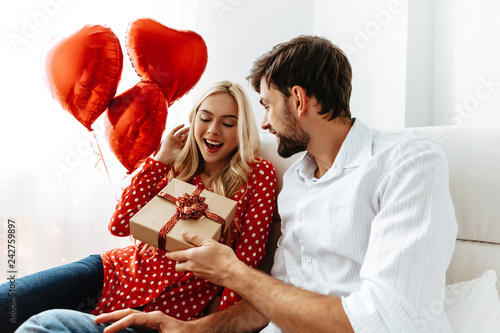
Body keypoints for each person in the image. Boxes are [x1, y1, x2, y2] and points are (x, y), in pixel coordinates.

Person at [17, 35, 458, 333]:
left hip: (171, 295)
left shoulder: (406, 160)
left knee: (44, 325)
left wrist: (227, 275)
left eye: (265, 106)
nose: (265, 122)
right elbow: (265, 299)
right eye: (206, 119)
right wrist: (188, 331)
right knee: (24, 311)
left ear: (299, 101)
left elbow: (388, 318)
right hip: (121, 273)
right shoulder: (300, 183)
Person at [3, 81, 277, 333]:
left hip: (169, 308)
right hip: (113, 273)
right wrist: (161, 159)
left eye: (228, 123)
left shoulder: (257, 175)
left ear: (241, 131)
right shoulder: (176, 165)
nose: (213, 129)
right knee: (8, 306)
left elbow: (246, 260)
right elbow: (120, 224)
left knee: (42, 327)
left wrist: (215, 322)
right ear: (194, 122)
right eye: (205, 119)